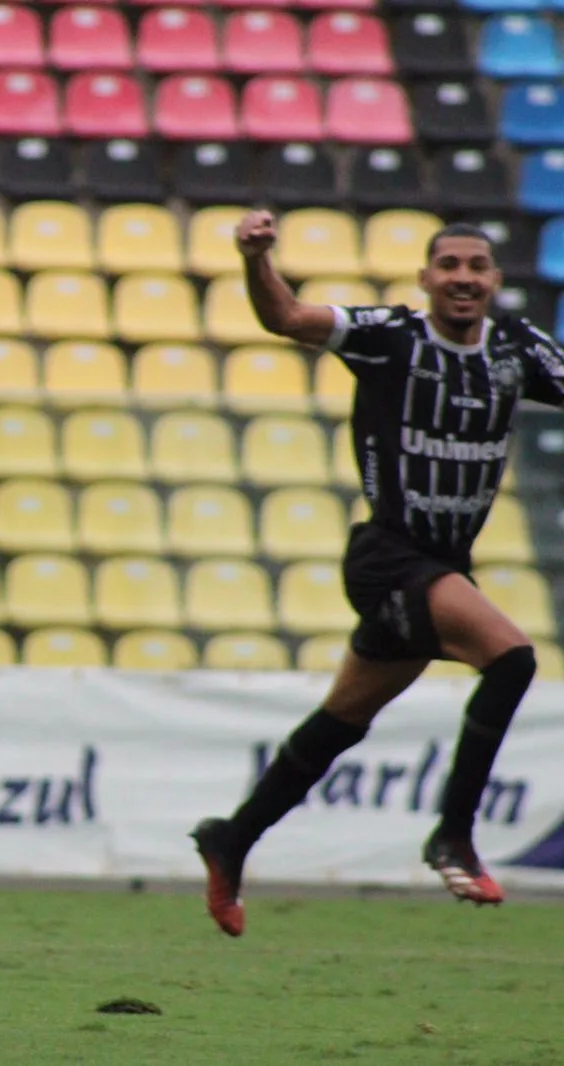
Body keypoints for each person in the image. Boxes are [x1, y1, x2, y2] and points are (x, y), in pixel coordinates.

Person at [191, 211, 564, 937]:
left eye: (477, 266)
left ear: (495, 280)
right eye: (448, 265)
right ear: (426, 278)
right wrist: (256, 259)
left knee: (342, 720)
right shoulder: (390, 337)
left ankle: (232, 838)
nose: (463, 278)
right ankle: (453, 834)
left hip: (443, 566)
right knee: (513, 658)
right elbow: (287, 316)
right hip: (388, 557)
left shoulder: (517, 350)